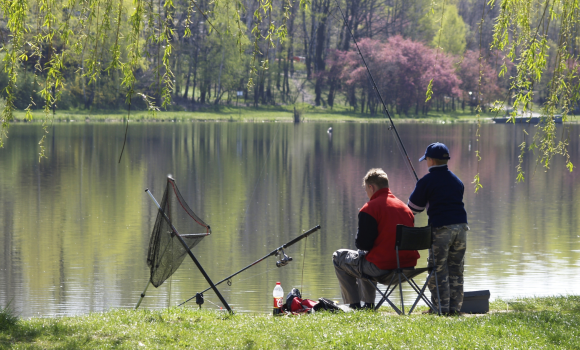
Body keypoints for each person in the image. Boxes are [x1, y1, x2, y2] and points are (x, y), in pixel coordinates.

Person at [333, 168, 419, 309]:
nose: (366, 193)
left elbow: (363, 243)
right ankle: (368, 305)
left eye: (366, 189)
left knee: (339, 256)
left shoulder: (370, 208)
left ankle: (352, 305)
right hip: (407, 267)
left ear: (371, 187)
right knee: (363, 257)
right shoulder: (406, 209)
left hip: (383, 269)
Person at [407, 142, 469, 315]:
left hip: (442, 229)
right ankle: (454, 309)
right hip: (462, 228)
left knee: (438, 269)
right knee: (456, 269)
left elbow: (413, 208)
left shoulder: (426, 181)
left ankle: (440, 309)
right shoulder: (457, 181)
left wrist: (422, 191)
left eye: (426, 159)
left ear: (431, 160)